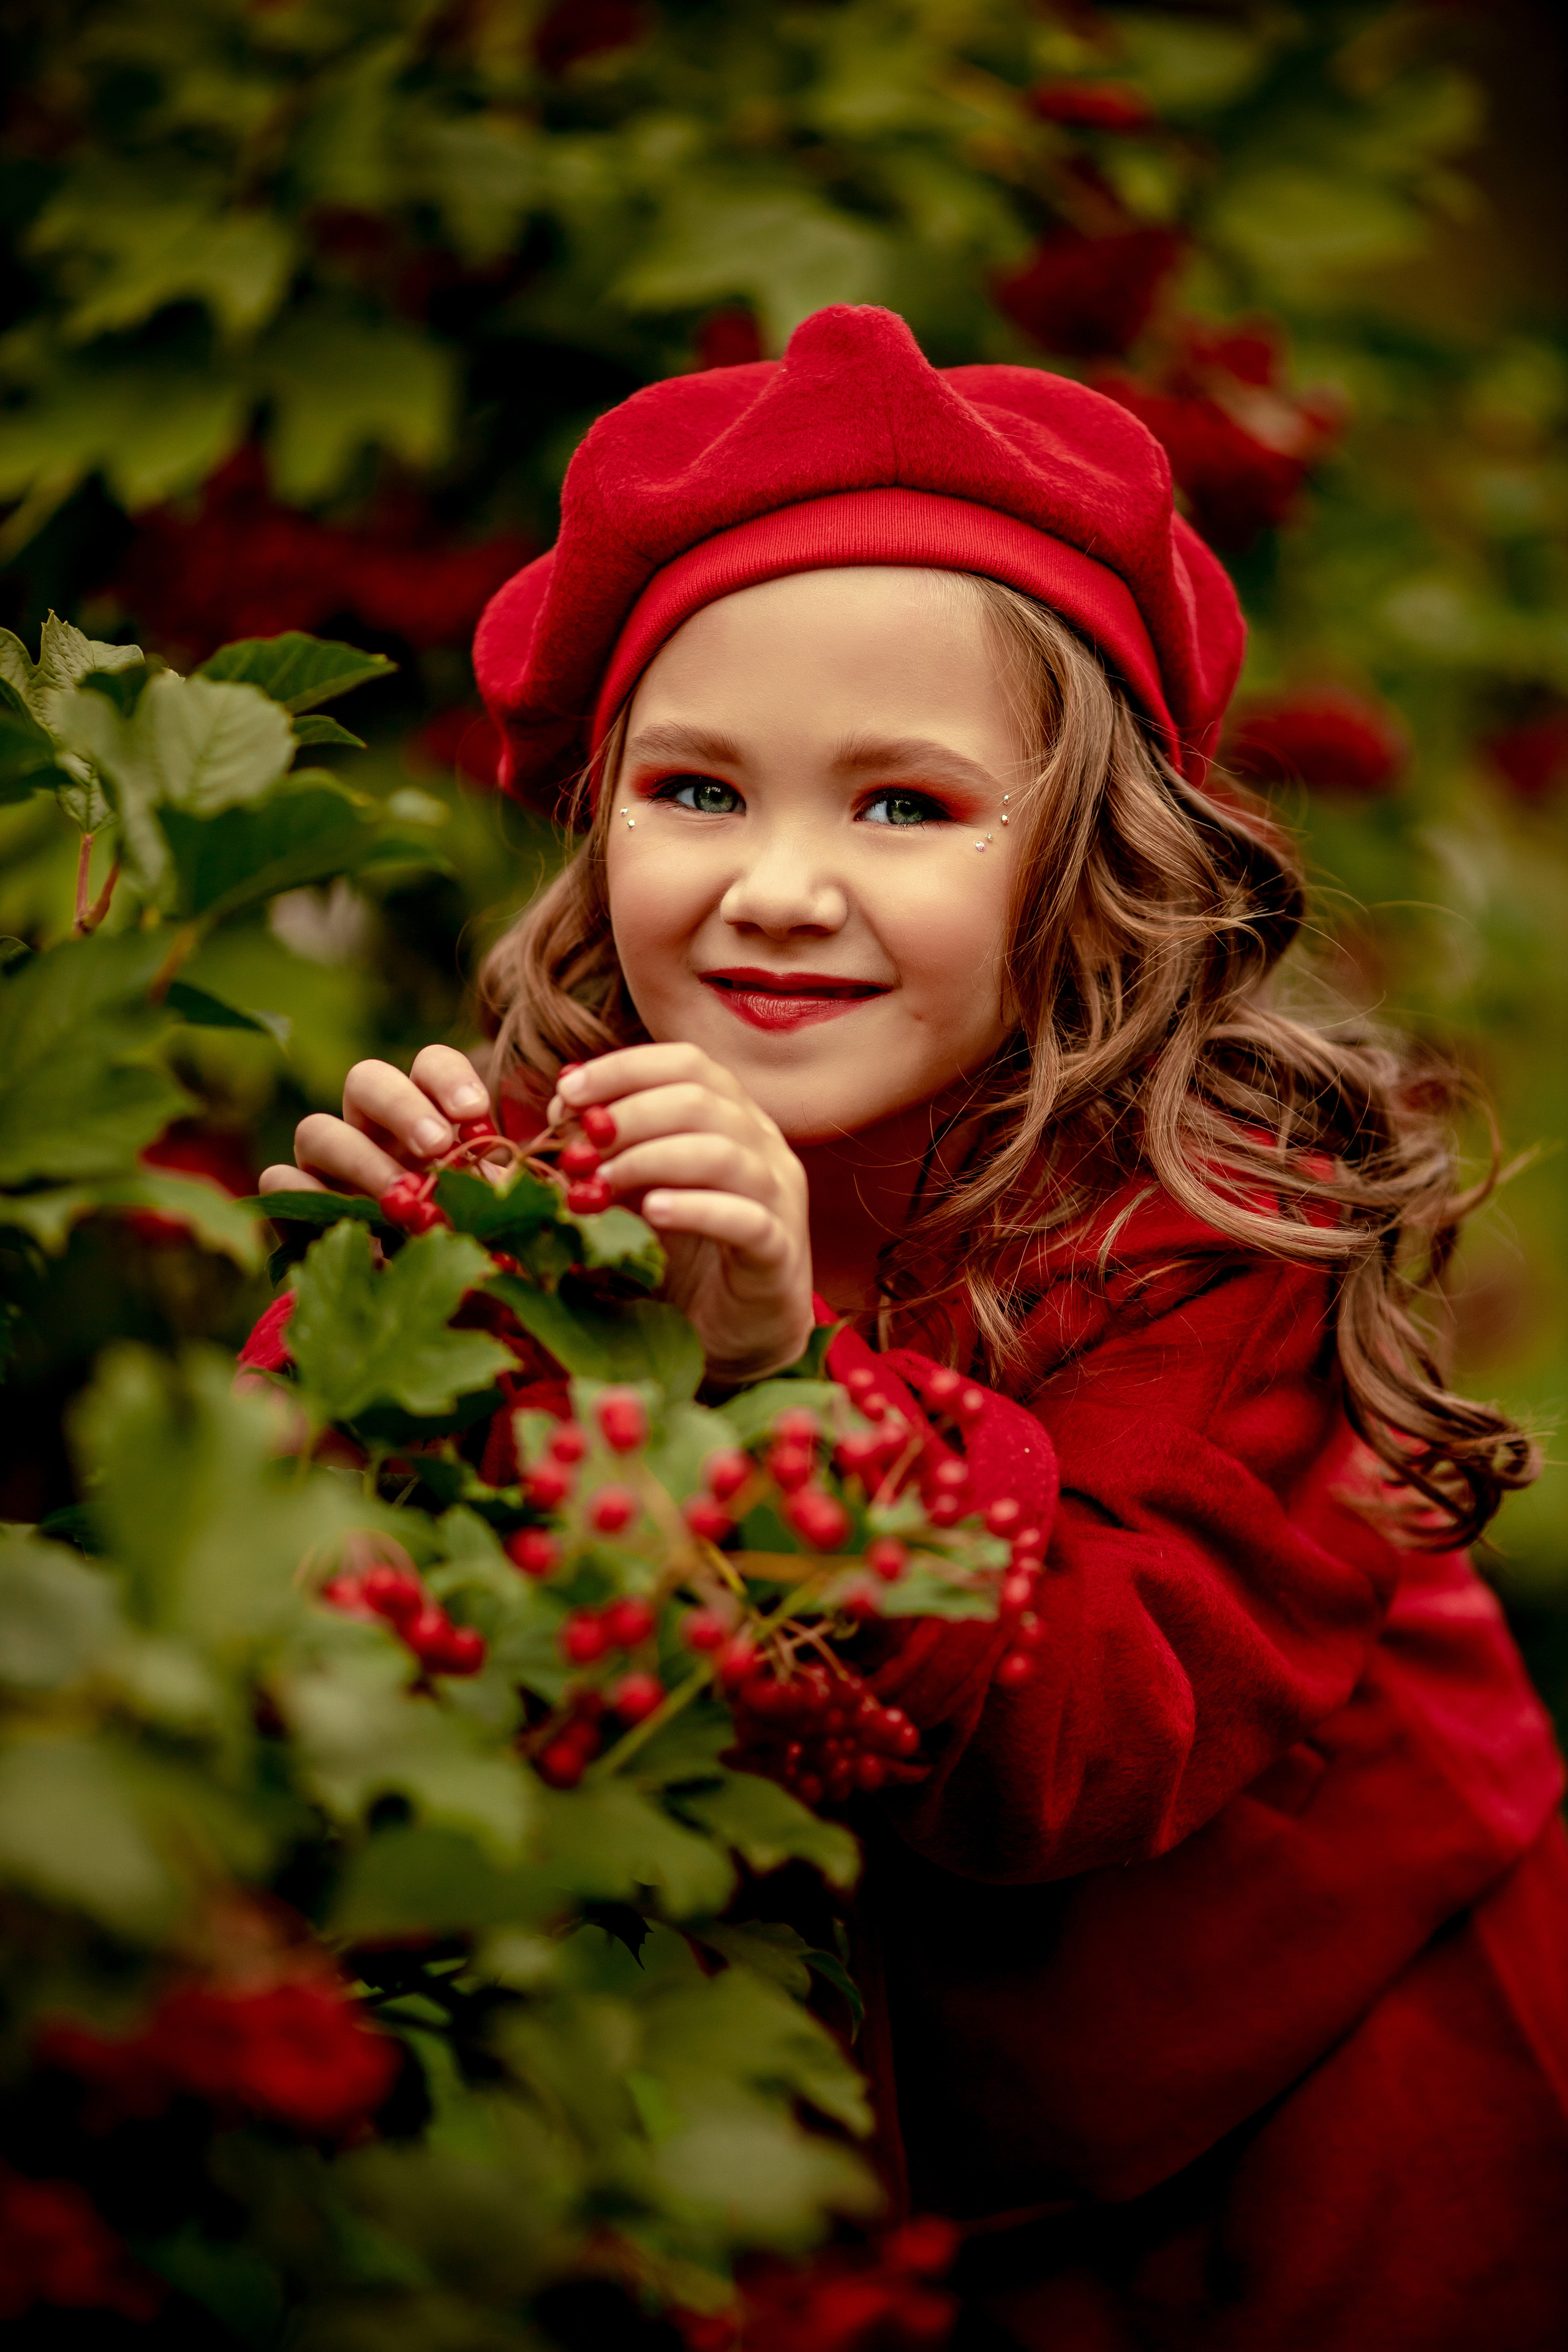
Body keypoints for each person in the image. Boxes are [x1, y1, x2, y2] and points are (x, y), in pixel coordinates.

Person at [260, 306, 1568, 2350]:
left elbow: (1095, 1741)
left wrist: (789, 1380)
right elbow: (381, 1666)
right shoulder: (547, 1165)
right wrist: (379, 1341)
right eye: (700, 790)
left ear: (1095, 859)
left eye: (901, 807)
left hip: (1315, 2072)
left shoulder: (1215, 1219)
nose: (779, 888)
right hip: (876, 2140)